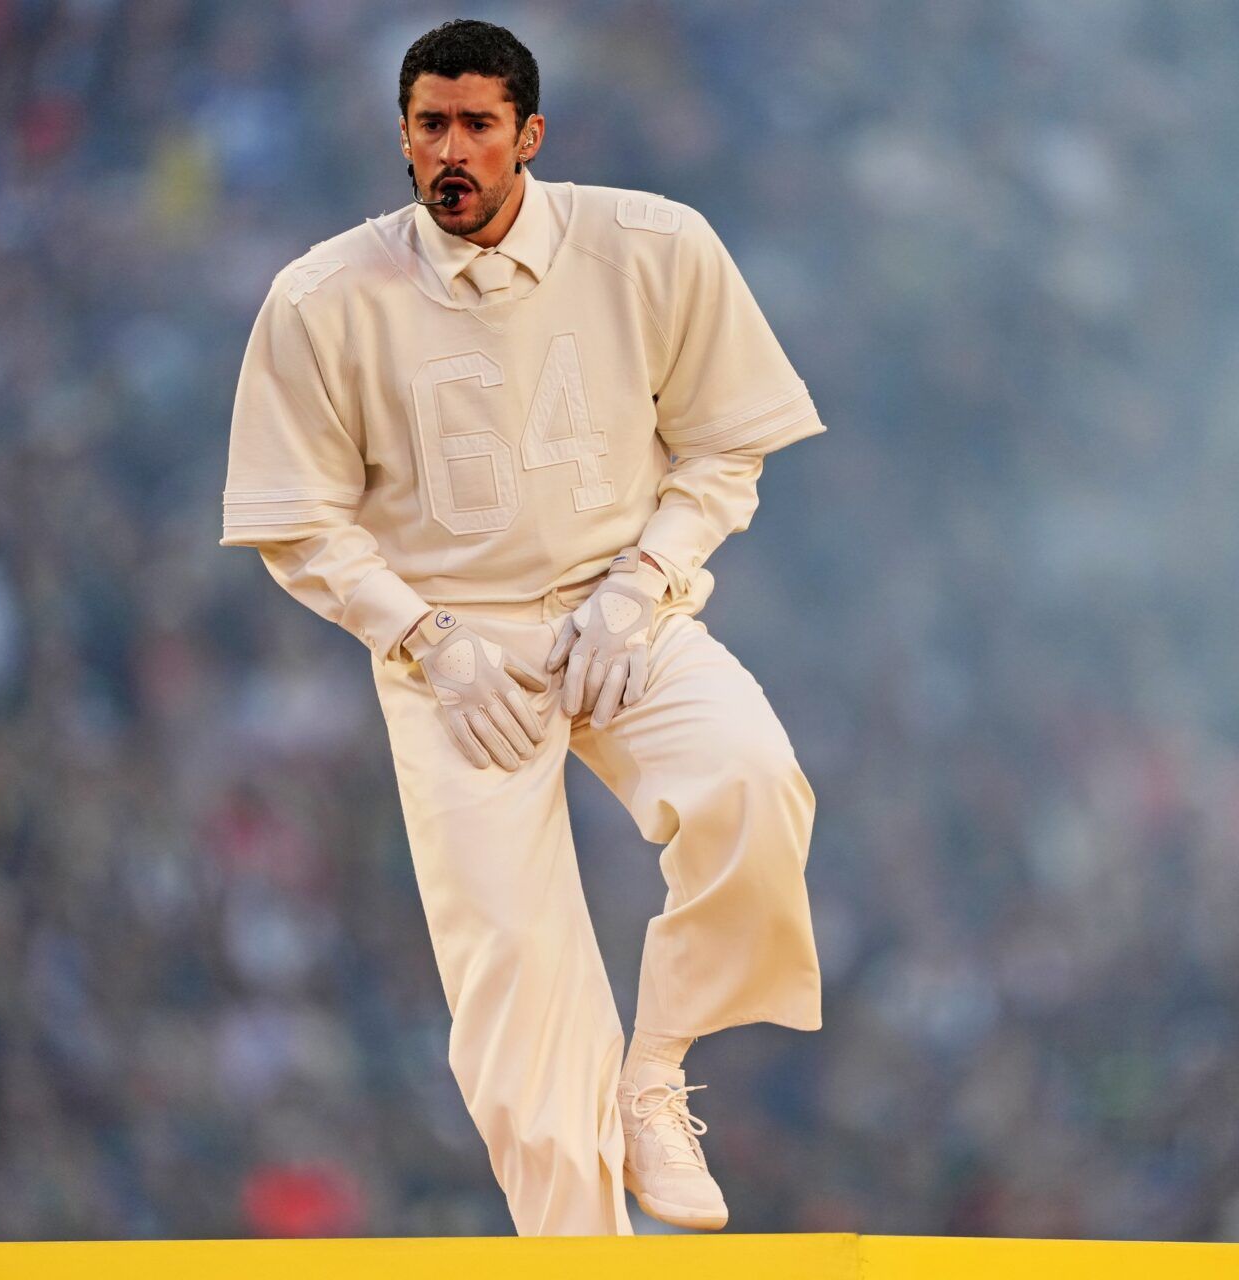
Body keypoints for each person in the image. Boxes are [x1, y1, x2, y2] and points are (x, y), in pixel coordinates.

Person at [219, 18, 825, 1237]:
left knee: (754, 782)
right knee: (513, 975)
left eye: (478, 125)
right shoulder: (322, 297)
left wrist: (641, 581)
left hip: (624, 610)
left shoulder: (652, 244)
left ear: (530, 135)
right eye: (429, 126)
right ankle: (579, 1249)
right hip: (454, 651)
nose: (452, 150)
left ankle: (657, 1070)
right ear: (401, 138)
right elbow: (299, 520)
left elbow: (726, 447)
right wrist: (427, 638)